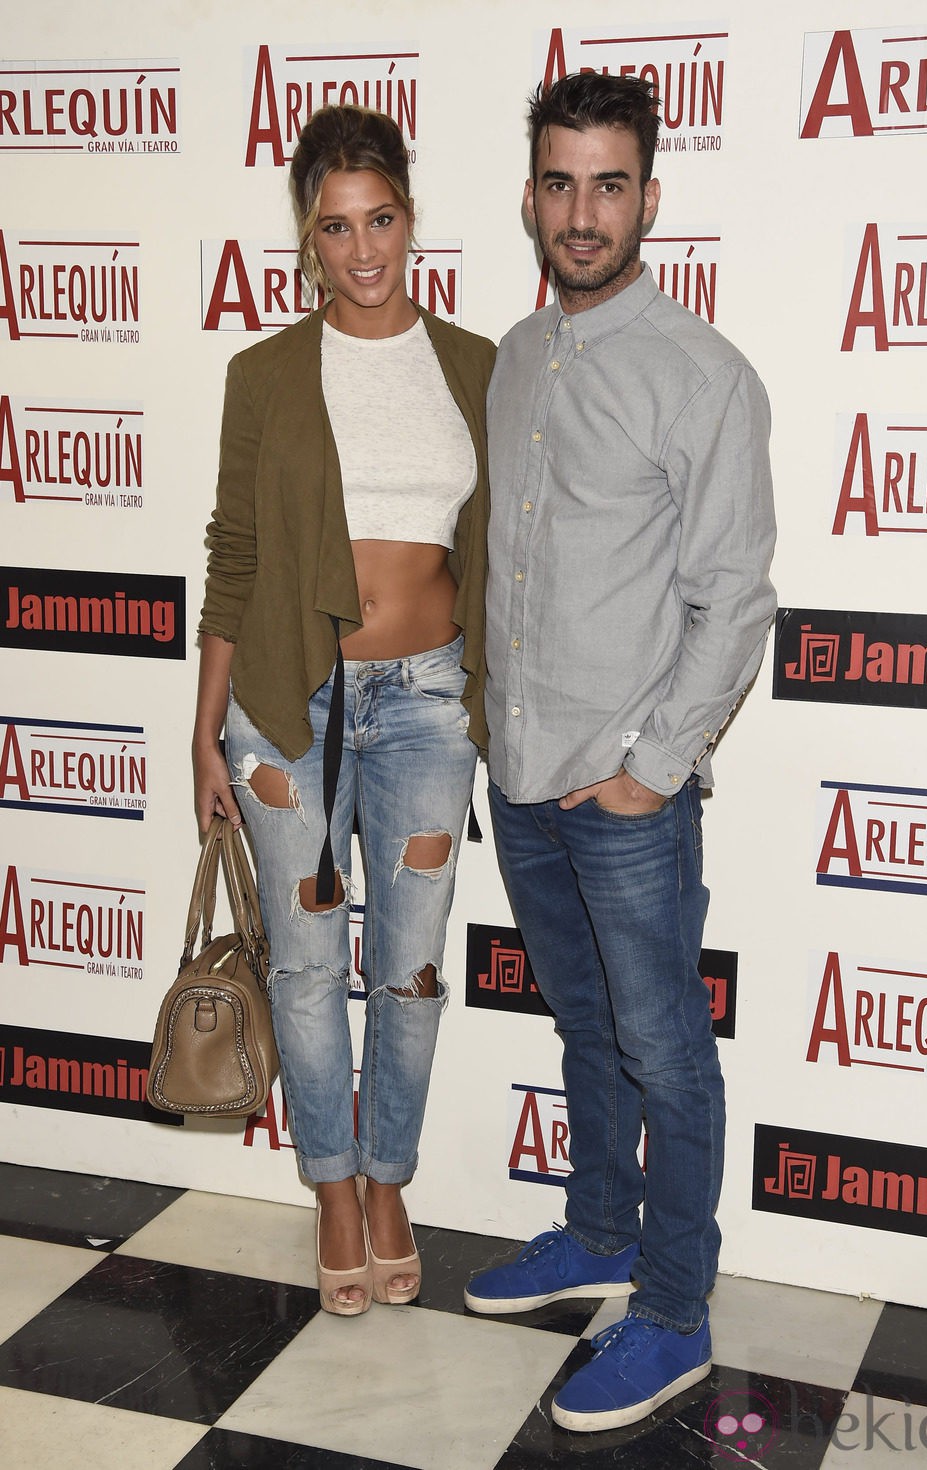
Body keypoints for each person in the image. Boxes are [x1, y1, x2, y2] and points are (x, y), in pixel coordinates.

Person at [464, 72, 776, 1432]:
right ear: (530, 193)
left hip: (626, 794)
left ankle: (673, 1306)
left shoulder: (703, 374)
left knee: (666, 1047)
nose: (581, 212)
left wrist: (655, 762)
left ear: (650, 197)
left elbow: (734, 593)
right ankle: (597, 1229)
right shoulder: (519, 355)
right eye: (559, 182)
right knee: (587, 1023)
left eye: (609, 184)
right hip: (523, 775)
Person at [193, 105, 494, 1316]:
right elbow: (232, 554)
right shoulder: (262, 374)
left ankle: (389, 1180)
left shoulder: (476, 364)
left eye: (380, 220)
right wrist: (204, 730)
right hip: (285, 705)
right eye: (335, 227)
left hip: (428, 703)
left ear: (409, 220)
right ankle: (329, 1185)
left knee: (409, 973)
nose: (362, 249)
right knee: (311, 967)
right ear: (306, 239)